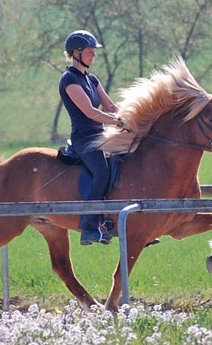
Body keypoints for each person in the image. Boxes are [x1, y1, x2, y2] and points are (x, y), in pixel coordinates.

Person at [59, 30, 123, 246]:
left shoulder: (92, 79)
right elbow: (90, 112)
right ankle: (88, 227)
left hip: (101, 135)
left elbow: (111, 106)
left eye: (93, 52)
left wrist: (131, 117)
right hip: (84, 138)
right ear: (75, 53)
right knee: (102, 172)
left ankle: (115, 221)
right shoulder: (69, 80)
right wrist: (117, 122)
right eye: (89, 51)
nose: (93, 55)